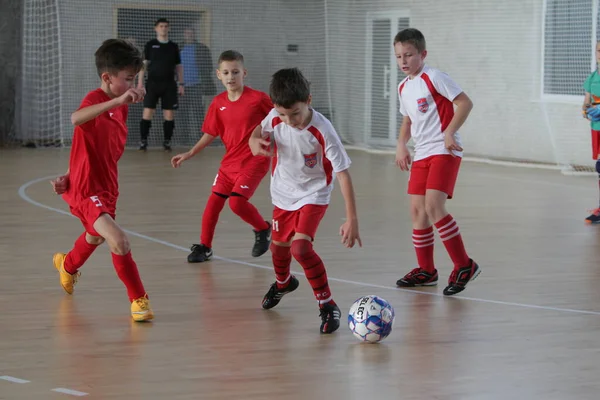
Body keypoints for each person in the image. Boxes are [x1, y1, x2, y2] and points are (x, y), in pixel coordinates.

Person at [249, 67, 362, 334]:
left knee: (300, 249)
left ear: (308, 101)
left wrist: (352, 219)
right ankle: (283, 283)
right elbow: (258, 130)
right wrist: (254, 141)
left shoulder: (323, 130)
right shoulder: (275, 118)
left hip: (314, 193)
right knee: (278, 250)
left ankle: (327, 304)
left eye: (295, 114)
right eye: (282, 114)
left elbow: (343, 175)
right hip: (283, 193)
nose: (289, 121)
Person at [50, 39, 153, 321]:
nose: (131, 84)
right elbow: (76, 119)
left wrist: (70, 174)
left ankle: (67, 266)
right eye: (127, 79)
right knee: (119, 241)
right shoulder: (96, 100)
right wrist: (118, 99)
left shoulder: (122, 105)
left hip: (107, 186)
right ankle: (139, 301)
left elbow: (96, 150)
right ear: (107, 78)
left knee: (95, 236)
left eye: (134, 78)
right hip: (87, 191)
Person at [393, 28, 480, 296]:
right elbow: (408, 119)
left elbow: (465, 103)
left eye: (408, 55)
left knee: (433, 205)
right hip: (421, 153)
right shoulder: (403, 86)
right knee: (417, 211)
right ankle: (426, 271)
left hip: (444, 149)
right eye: (398, 56)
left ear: (423, 54)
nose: (403, 61)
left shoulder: (435, 77)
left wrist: (449, 132)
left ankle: (464, 265)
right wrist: (401, 145)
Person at [171, 50, 272, 263]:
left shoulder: (258, 99)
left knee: (236, 204)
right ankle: (205, 247)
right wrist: (190, 152)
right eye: (226, 72)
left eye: (235, 72)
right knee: (212, 205)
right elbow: (210, 132)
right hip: (229, 163)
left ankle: (263, 229)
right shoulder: (218, 103)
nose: (231, 77)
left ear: (244, 73)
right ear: (218, 75)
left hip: (255, 160)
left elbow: (278, 120)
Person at [137, 18, 184, 151]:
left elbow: (179, 66)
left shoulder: (173, 46)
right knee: (147, 112)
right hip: (152, 84)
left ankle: (167, 141)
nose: (163, 28)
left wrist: (181, 84)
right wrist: (140, 83)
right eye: (161, 26)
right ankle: (143, 141)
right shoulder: (150, 45)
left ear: (168, 28)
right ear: (156, 28)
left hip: (169, 84)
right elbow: (143, 65)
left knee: (169, 114)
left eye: (166, 26)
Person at [179, 27, 216, 136]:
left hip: (197, 85)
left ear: (194, 35)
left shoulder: (202, 48)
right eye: (187, 33)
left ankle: (200, 136)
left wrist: (203, 80)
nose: (189, 35)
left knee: (197, 111)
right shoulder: (178, 48)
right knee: (182, 112)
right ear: (184, 35)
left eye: (191, 33)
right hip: (182, 86)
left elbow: (209, 66)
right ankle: (184, 137)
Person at [582, 41, 600, 224]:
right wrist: (586, 110)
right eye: (599, 50)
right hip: (597, 129)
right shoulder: (593, 77)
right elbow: (586, 101)